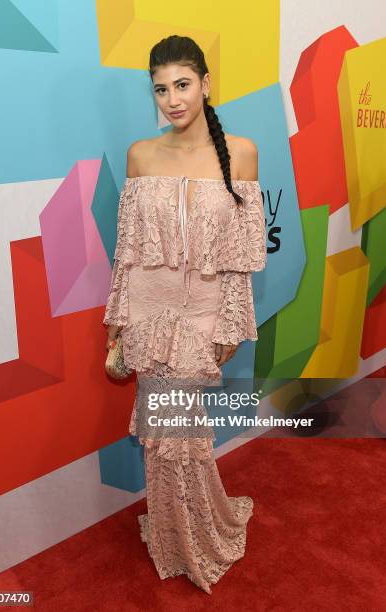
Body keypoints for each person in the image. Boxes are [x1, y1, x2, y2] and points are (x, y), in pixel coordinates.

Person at [103, 35, 267, 595]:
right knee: (164, 433)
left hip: (200, 314)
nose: (172, 99)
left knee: (181, 433)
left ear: (205, 83)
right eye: (160, 89)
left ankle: (196, 534)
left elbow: (242, 261)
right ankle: (179, 530)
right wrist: (117, 323)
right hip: (148, 311)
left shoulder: (240, 153)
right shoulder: (141, 155)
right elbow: (127, 248)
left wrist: (230, 324)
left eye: (182, 85)